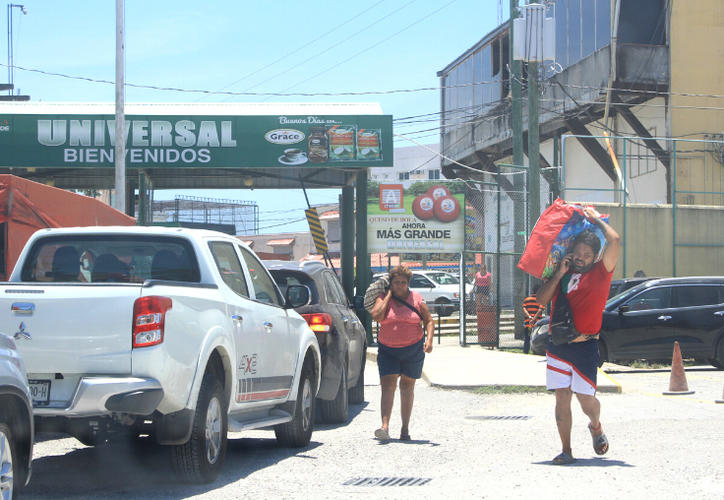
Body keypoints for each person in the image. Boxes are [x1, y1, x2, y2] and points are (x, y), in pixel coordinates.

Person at [535, 207, 620, 465]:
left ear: (595, 257)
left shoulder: (601, 272)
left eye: (587, 254)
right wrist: (560, 271)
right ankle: (566, 450)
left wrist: (593, 219)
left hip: (585, 347)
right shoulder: (562, 274)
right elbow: (539, 300)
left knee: (585, 400)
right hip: (558, 345)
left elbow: (614, 240)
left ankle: (595, 425)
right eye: (578, 252)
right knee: (562, 396)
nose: (581, 257)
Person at [370, 265, 434, 442]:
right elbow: (377, 316)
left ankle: (405, 429)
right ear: (391, 283)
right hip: (388, 350)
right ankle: (384, 426)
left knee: (407, 388)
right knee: (388, 386)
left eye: (403, 283)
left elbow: (428, 321)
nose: (400, 285)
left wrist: (429, 341)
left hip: (413, 349)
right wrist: (388, 295)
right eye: (396, 282)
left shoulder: (417, 298)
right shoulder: (383, 298)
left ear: (408, 284)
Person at [522, 284, 545, 354]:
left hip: (528, 322)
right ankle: (535, 351)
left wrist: (529, 317)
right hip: (537, 323)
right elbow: (540, 310)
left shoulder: (527, 299)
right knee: (536, 337)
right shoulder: (540, 300)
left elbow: (524, 308)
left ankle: (525, 351)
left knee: (527, 338)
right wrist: (534, 319)